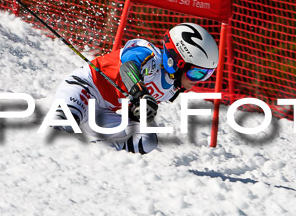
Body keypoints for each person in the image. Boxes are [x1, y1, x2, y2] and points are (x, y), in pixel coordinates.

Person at [50, 23, 218, 154]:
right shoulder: (150, 55)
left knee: (148, 140)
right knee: (61, 128)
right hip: (84, 89)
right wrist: (141, 94)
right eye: (197, 73)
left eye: (206, 75)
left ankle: (98, 153)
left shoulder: (172, 88)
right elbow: (128, 67)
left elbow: (134, 111)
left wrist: (139, 113)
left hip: (101, 112)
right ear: (176, 62)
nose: (198, 81)